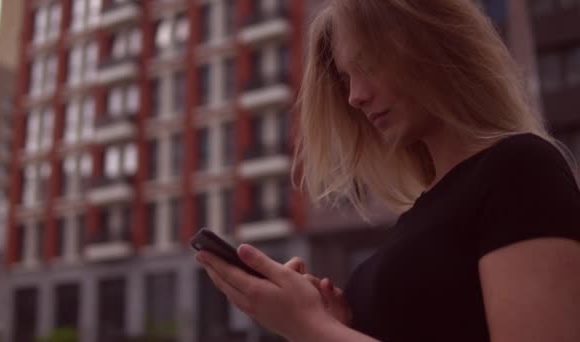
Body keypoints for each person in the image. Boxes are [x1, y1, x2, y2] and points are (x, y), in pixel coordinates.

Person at [195, 0, 580, 341]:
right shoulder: (422, 212)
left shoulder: (521, 170)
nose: (354, 96)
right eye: (345, 79)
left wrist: (309, 325)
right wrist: (340, 322)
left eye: (368, 65)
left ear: (433, 44)